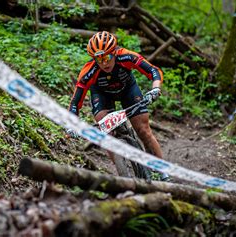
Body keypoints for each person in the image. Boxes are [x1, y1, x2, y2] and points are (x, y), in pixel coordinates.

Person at [66, 31, 170, 181]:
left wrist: (155, 88)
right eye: (99, 59)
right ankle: (122, 171)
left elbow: (153, 70)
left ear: (114, 52)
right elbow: (76, 102)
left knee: (143, 129)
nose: (104, 63)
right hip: (102, 95)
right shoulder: (89, 71)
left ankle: (163, 172)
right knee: (105, 131)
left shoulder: (125, 56)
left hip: (128, 90)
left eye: (107, 57)